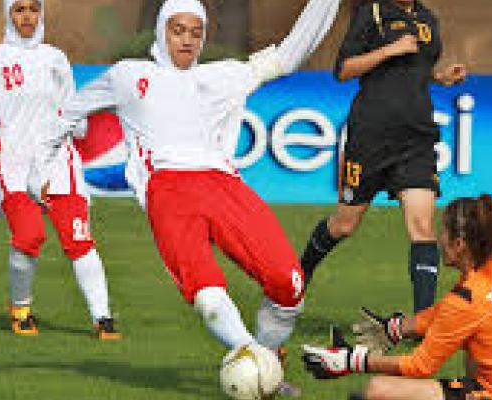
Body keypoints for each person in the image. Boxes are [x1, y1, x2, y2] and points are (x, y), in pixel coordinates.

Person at [40, 0, 341, 376]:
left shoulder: (225, 76)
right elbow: (65, 114)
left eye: (196, 32)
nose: (187, 40)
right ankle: (259, 365)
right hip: (169, 193)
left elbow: (291, 53)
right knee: (209, 298)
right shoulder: (128, 76)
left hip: (224, 185)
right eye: (178, 30)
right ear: (162, 30)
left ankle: (263, 364)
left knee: (289, 282)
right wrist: (42, 169)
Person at [302, 194, 492, 400]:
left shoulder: (466, 301)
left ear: (459, 244)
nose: (439, 238)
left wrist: (351, 360)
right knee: (473, 347)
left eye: (443, 232)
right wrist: (398, 328)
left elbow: (420, 366)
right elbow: (449, 314)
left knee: (378, 391)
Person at [298, 0, 467, 312]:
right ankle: (300, 272)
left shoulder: (428, 17)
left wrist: (439, 77)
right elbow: (343, 70)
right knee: (344, 225)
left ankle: (422, 322)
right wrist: (387, 50)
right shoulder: (371, 13)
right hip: (370, 137)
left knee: (422, 226)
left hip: (416, 137)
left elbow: (413, 71)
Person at [0, 0, 120, 340]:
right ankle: (20, 309)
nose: (27, 17)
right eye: (19, 10)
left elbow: (72, 107)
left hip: (57, 163)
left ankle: (103, 318)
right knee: (29, 236)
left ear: (42, 13)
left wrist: (76, 127)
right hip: (14, 164)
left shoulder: (56, 59)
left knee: (79, 240)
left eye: (33, 9)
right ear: (8, 14)